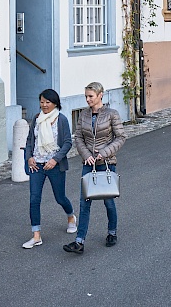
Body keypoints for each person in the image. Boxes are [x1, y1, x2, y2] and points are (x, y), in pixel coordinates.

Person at [63, 82, 126, 255]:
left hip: (107, 163)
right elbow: (78, 138)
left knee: (108, 200)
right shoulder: (83, 115)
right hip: (88, 164)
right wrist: (86, 155)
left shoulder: (112, 114)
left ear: (100, 95)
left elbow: (121, 137)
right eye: (86, 96)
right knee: (85, 202)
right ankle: (79, 241)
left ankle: (112, 232)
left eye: (90, 96)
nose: (88, 99)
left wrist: (104, 153)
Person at [23, 89, 77, 249]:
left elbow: (67, 142)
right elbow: (29, 141)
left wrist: (55, 160)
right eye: (42, 102)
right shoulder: (36, 118)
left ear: (55, 103)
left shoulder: (62, 120)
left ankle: (71, 217)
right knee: (34, 199)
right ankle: (36, 235)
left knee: (60, 197)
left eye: (48, 102)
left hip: (54, 165)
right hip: (37, 165)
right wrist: (29, 157)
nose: (44, 105)